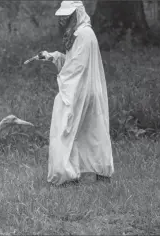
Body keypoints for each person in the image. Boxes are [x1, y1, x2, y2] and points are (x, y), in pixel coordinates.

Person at [37, 1, 114, 186]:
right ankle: (95, 173)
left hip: (79, 90)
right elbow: (74, 61)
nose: (64, 19)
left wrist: (66, 90)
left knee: (65, 127)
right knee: (92, 130)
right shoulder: (80, 33)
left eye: (68, 15)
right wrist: (53, 56)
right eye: (63, 16)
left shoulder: (84, 34)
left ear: (78, 13)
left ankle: (66, 175)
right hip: (84, 88)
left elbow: (77, 68)